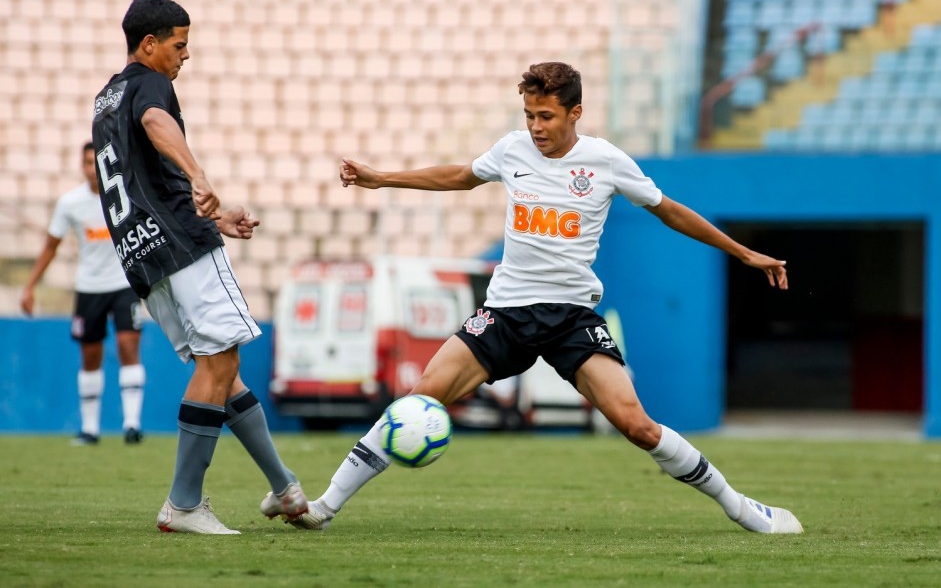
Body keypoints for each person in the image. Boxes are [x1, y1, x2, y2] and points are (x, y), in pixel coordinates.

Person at [291, 62, 803, 534]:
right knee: (417, 399)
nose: (536, 126)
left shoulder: (605, 161)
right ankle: (324, 508)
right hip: (506, 313)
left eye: (546, 116)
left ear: (574, 113)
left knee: (639, 427)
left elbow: (668, 210)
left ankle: (741, 508)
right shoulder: (513, 149)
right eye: (529, 115)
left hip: (571, 318)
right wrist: (383, 177)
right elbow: (461, 177)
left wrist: (742, 253)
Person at [91, 0, 312, 535]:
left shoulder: (105, 98)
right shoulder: (149, 86)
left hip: (143, 253)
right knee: (219, 363)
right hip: (180, 249)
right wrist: (198, 172)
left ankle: (285, 489)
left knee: (222, 372)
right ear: (150, 44)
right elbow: (157, 123)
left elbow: (144, 184)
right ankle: (184, 505)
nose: (185, 56)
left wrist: (214, 216)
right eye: (179, 44)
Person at [21, 142, 146, 446]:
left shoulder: (126, 195)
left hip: (124, 283)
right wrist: (30, 285)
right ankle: (90, 428)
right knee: (90, 355)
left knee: (128, 346)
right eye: (88, 163)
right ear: (82, 166)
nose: (93, 168)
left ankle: (132, 425)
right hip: (89, 287)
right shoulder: (70, 203)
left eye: (96, 162)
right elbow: (51, 246)